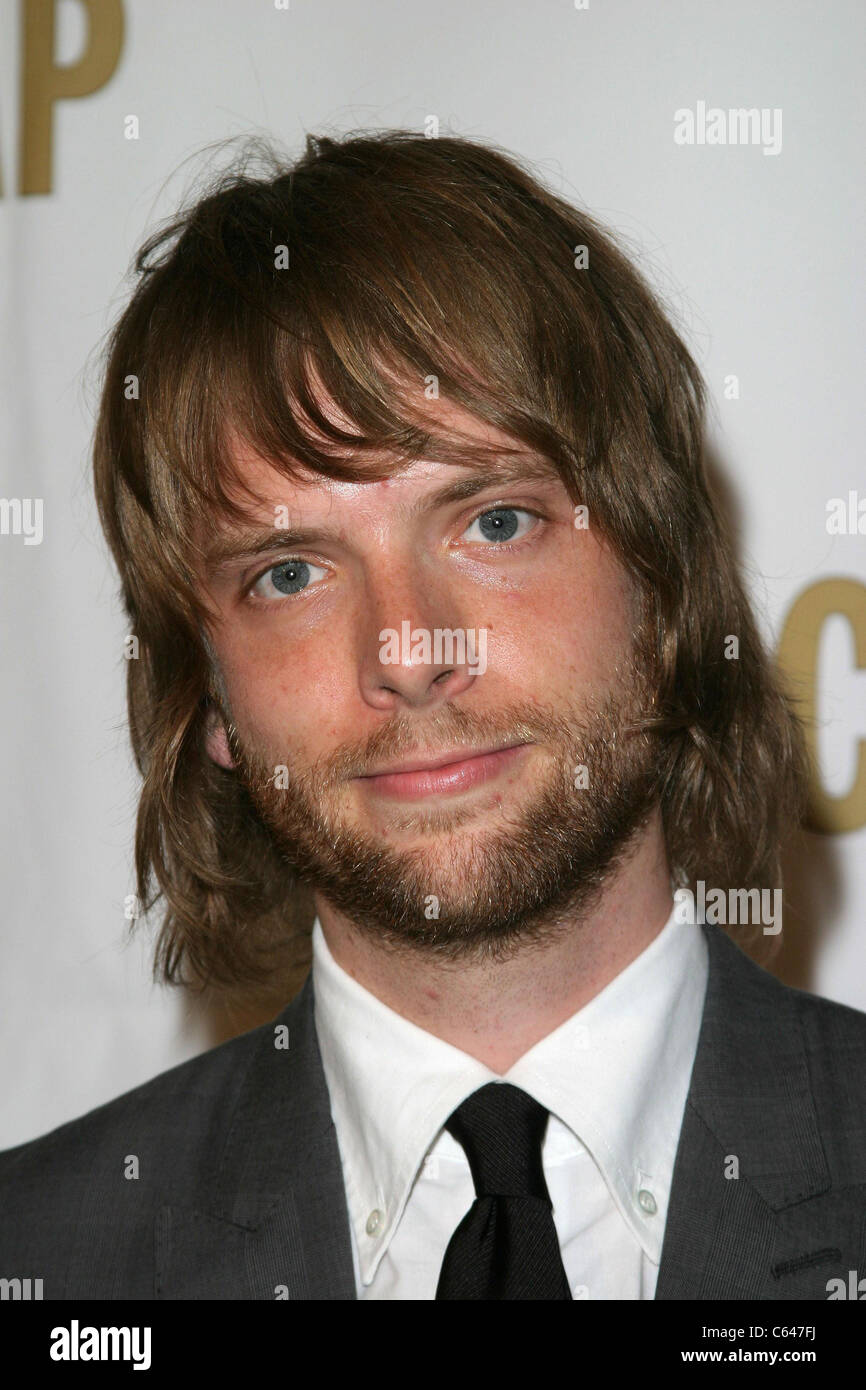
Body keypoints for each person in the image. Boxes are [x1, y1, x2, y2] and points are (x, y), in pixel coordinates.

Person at [1, 129, 864, 1301]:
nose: (406, 652)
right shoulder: (42, 1263)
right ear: (204, 693)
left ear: (659, 588)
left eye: (494, 522)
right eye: (289, 574)